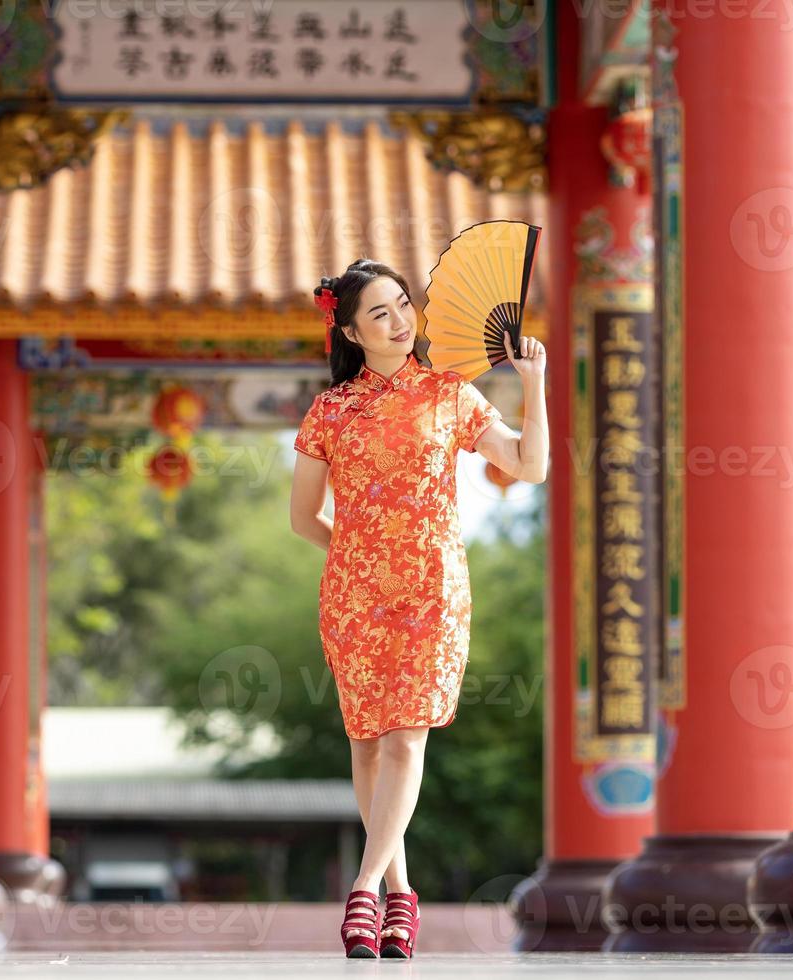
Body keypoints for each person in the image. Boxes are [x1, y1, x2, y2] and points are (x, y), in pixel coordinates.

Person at [288, 258, 548, 958]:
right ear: (349, 330)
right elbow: (304, 517)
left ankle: (365, 888)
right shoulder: (331, 411)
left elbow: (528, 465)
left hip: (435, 591)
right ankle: (401, 897)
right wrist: (355, 557)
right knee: (369, 745)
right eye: (380, 313)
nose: (401, 321)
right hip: (355, 596)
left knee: (408, 737)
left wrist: (534, 385)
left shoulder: (450, 394)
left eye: (404, 305)